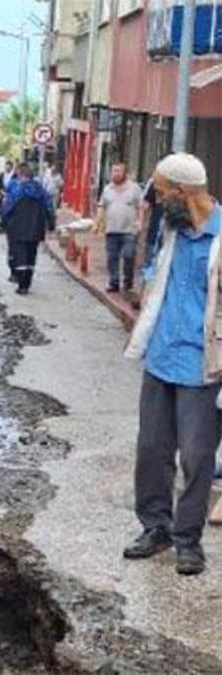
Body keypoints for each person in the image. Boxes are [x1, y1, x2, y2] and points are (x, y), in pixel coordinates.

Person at [121, 152, 221, 576]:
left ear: (184, 193)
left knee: (197, 458)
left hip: (204, 367)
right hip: (161, 357)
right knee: (152, 449)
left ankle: (187, 539)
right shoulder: (170, 229)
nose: (157, 200)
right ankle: (155, 527)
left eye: (162, 193)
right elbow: (154, 269)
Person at [0, 162, 54, 295]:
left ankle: (22, 284)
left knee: (20, 256)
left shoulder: (16, 190)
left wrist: (3, 222)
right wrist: (51, 223)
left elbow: (7, 208)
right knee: (31, 256)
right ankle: (27, 282)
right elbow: (49, 207)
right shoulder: (40, 190)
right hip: (35, 228)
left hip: (17, 229)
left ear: (19, 174)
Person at [95, 162, 144, 293]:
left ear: (125, 173)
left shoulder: (134, 188)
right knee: (112, 257)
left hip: (130, 229)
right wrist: (97, 223)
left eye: (118, 171)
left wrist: (140, 221)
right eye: (114, 171)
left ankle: (128, 281)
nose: (116, 174)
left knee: (129, 255)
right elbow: (102, 206)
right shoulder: (107, 189)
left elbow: (140, 206)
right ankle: (114, 282)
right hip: (112, 228)